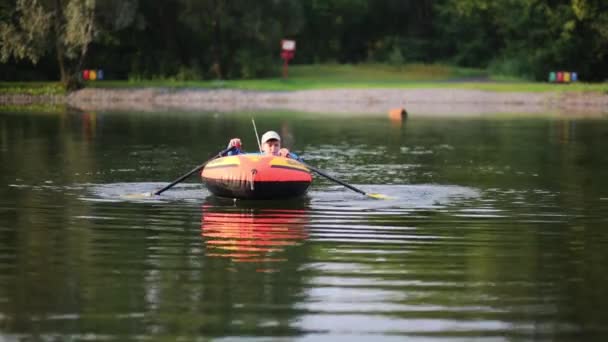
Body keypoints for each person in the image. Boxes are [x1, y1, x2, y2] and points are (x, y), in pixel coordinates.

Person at [226, 130, 299, 159]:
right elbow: (234, 155)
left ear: (280, 146)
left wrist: (289, 155)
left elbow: (299, 161)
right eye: (269, 145)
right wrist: (233, 145)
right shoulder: (257, 156)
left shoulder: (285, 155)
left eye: (276, 145)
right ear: (262, 147)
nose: (273, 149)